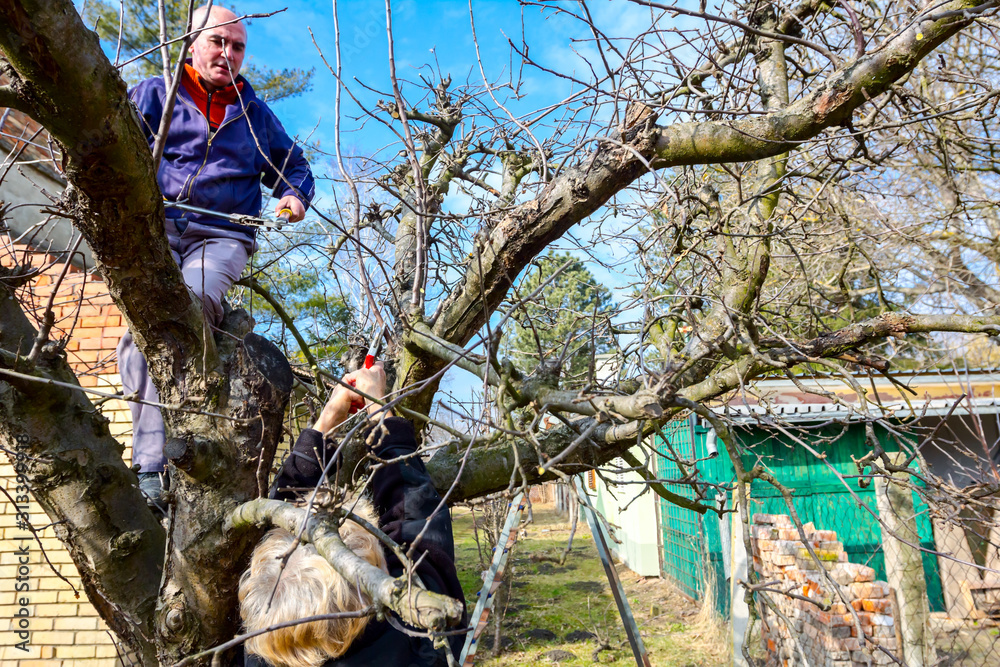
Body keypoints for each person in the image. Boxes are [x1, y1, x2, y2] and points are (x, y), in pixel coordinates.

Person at [119, 5, 315, 507]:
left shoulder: (255, 116)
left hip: (221, 235)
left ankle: (204, 422)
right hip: (153, 224)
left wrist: (293, 196)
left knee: (187, 302)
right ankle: (151, 465)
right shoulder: (154, 93)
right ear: (191, 44)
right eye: (217, 42)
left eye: (238, 46)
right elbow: (112, 150)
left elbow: (295, 167)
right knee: (141, 331)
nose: (227, 53)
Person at [239, 363, 467, 667]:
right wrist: (380, 414)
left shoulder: (264, 649)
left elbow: (277, 518)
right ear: (362, 595)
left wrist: (326, 422)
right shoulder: (417, 637)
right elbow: (417, 522)